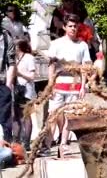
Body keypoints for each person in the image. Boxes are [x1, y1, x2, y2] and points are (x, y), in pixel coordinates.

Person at [45, 13, 90, 158]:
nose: (73, 28)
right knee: (54, 113)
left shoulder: (82, 45)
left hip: (74, 85)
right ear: (64, 27)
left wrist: (83, 86)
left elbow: (84, 67)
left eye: (75, 26)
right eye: (70, 26)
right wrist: (50, 84)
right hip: (58, 83)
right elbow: (51, 65)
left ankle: (63, 143)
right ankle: (47, 143)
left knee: (69, 116)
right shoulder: (56, 44)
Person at [7, 39, 36, 152]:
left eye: (15, 46)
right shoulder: (14, 59)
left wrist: (19, 73)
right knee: (15, 116)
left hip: (26, 91)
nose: (13, 48)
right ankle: (16, 140)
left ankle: (26, 142)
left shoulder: (29, 58)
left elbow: (32, 76)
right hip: (16, 91)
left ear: (20, 47)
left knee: (26, 117)